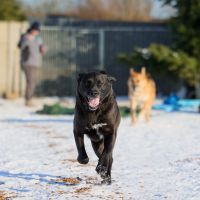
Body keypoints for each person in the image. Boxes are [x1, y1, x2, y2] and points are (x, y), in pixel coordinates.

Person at [18, 21, 45, 106]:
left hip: (36, 63)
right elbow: (21, 46)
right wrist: (26, 40)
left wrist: (43, 49)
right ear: (32, 29)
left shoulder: (38, 39)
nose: (36, 32)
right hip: (28, 63)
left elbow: (42, 48)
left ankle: (29, 98)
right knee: (30, 81)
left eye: (37, 30)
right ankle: (28, 99)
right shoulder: (26, 37)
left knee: (33, 81)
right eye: (35, 30)